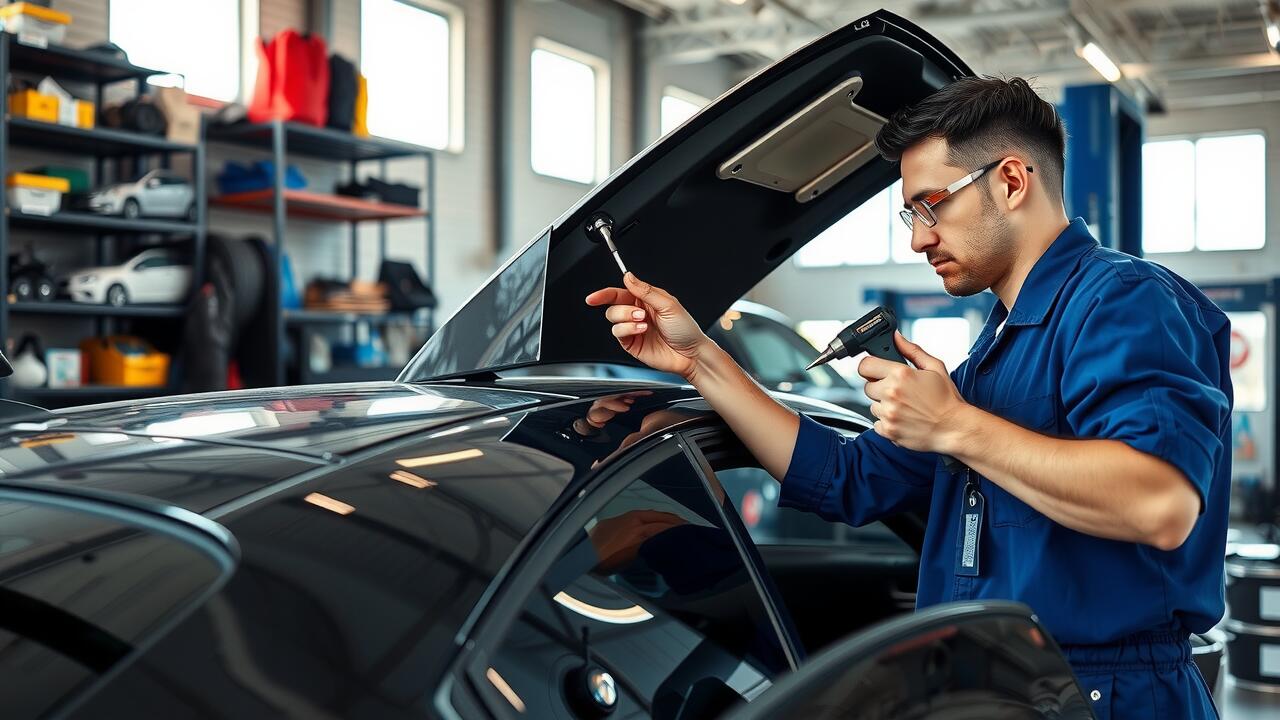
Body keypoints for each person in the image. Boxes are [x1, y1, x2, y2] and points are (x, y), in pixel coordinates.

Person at [585, 76, 1230, 718]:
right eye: (910, 215)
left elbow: (1158, 503)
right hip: (1004, 690)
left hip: (1105, 699)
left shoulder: (1123, 300)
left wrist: (953, 424)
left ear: (1011, 181)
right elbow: (846, 477)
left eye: (932, 205)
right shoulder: (1000, 347)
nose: (919, 238)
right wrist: (700, 359)